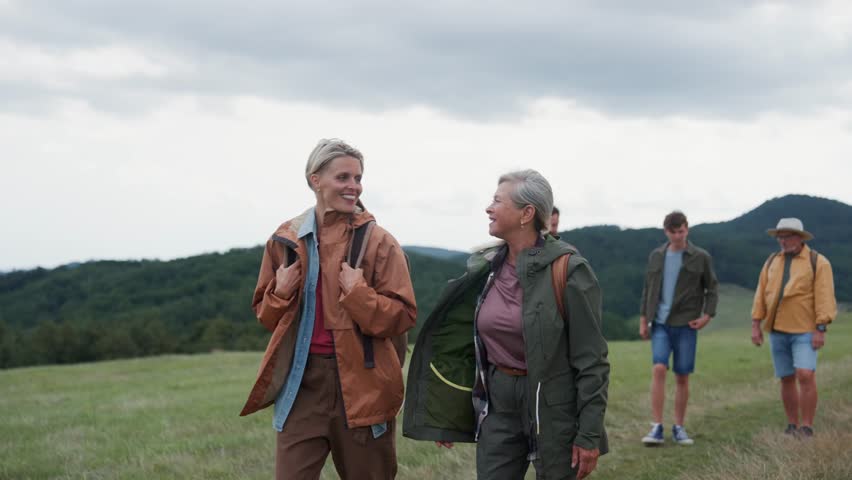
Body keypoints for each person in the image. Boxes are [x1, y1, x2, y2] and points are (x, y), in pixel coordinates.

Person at [403, 170, 609, 480]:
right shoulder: (486, 269)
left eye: (498, 201)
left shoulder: (569, 270)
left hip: (554, 406)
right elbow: (462, 346)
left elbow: (591, 359)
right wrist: (448, 412)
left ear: (527, 213)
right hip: (498, 404)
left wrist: (589, 434)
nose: (489, 208)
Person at [240, 138, 417, 480]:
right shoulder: (285, 241)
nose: (354, 186)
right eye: (343, 178)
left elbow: (404, 316)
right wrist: (280, 292)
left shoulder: (380, 242)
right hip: (302, 384)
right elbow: (265, 315)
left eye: (358, 178)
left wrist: (357, 294)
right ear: (315, 180)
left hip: (363, 385)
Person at [750, 217, 836, 437]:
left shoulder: (818, 262)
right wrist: (756, 324)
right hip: (777, 330)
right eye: (780, 236)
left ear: (799, 238)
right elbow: (761, 293)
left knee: (805, 374)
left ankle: (806, 427)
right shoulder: (771, 261)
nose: (782, 240)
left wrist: (821, 328)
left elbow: (825, 296)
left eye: (787, 236)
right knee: (786, 377)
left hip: (806, 330)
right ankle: (792, 425)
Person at [639, 211, 718, 446]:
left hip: (686, 324)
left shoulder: (701, 257)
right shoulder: (656, 256)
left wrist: (707, 316)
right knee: (659, 369)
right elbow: (648, 289)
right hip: (660, 323)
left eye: (681, 231)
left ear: (687, 229)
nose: (677, 236)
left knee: (682, 377)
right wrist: (644, 319)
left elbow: (712, 288)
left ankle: (679, 428)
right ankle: (656, 427)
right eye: (672, 232)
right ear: (666, 231)